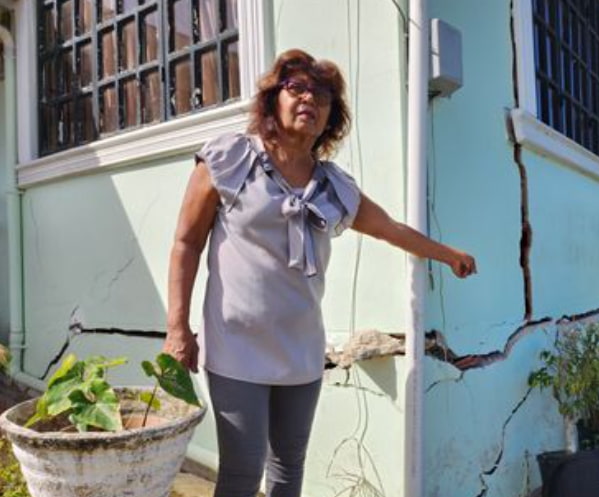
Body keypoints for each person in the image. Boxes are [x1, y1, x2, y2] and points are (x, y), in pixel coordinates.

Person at [163, 48, 477, 497]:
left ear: (331, 116)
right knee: (241, 471)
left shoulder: (333, 187)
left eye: (323, 94)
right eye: (297, 87)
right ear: (273, 98)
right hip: (236, 347)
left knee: (289, 468)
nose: (310, 98)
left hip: (301, 351)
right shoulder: (229, 159)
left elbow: (388, 228)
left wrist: (447, 254)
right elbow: (186, 243)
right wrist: (178, 328)